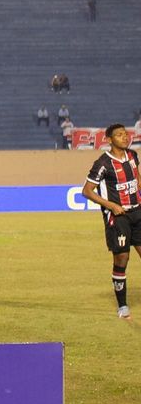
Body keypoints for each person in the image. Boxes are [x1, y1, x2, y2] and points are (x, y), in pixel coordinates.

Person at [81, 124, 141, 319]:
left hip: (137, 212)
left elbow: (137, 179)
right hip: (118, 217)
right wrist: (111, 205)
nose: (125, 137)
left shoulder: (132, 156)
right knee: (122, 258)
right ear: (109, 140)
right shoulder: (103, 164)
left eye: (125, 134)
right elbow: (87, 190)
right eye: (119, 135)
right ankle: (122, 306)